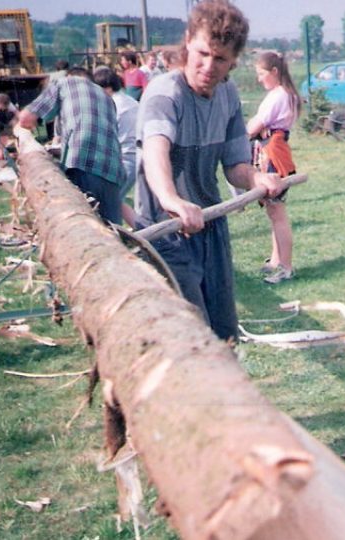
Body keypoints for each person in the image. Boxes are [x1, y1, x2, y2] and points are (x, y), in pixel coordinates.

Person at [135, 0, 287, 341]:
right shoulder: (165, 93)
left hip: (211, 225)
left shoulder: (228, 95)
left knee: (222, 332)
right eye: (202, 53)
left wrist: (256, 178)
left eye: (220, 58)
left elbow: (235, 165)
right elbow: (155, 152)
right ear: (188, 40)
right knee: (192, 338)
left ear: (234, 60)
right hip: (167, 231)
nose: (208, 66)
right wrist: (172, 200)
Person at [18, 67, 124, 224]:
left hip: (83, 163)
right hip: (114, 171)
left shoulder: (63, 83)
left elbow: (26, 119)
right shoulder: (107, 98)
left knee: (84, 226)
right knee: (114, 233)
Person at [245, 51, 300, 284]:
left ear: (274, 72)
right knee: (273, 212)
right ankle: (276, 260)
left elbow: (253, 127)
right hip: (272, 150)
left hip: (273, 155)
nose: (259, 79)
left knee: (278, 214)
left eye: (261, 73)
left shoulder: (278, 96)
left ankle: (285, 267)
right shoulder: (282, 94)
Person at [93, 66, 139, 226]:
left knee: (105, 203)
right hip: (137, 157)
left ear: (107, 88)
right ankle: (146, 235)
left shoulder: (112, 106)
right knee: (115, 200)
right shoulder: (130, 101)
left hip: (124, 160)